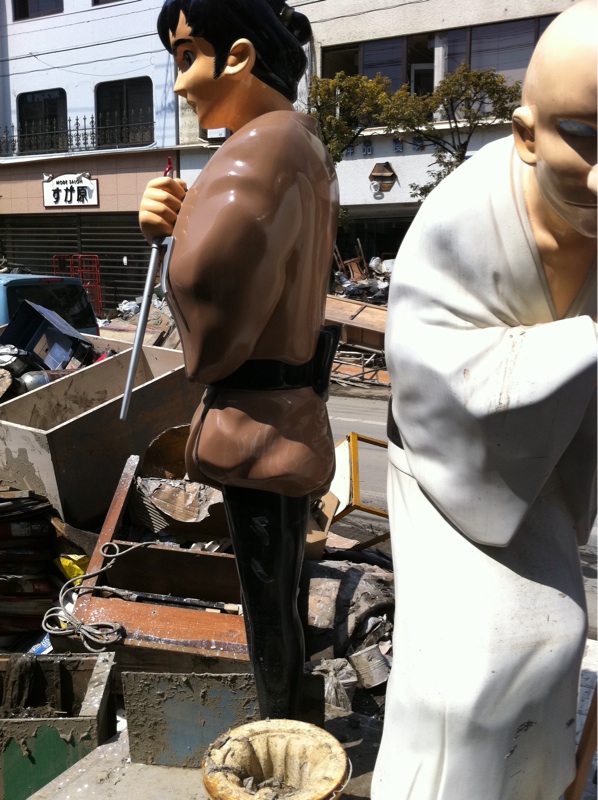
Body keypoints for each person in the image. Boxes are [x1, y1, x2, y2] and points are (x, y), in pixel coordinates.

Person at [374, 2, 597, 798]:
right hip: (450, 475)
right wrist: (585, 345)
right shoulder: (459, 219)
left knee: (558, 635)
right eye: (586, 137)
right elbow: (435, 380)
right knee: (471, 676)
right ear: (526, 133)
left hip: (547, 469)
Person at [138, 0, 339, 719]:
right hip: (295, 406)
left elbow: (210, 306)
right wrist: (190, 211)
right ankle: (297, 711)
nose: (179, 84)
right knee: (284, 579)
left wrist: (171, 232)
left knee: (264, 596)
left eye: (186, 56)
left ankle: (278, 728)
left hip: (256, 421)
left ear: (240, 57)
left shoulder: (254, 151)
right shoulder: (303, 143)